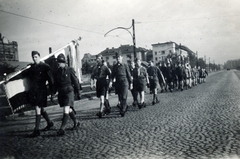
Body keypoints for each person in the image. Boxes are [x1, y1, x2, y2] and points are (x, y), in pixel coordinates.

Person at [25, 51, 54, 137]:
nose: (34, 58)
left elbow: (51, 80)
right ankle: (49, 123)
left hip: (42, 90)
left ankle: (36, 130)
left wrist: (52, 92)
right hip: (34, 91)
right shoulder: (31, 67)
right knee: (41, 109)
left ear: (39, 56)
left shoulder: (45, 67)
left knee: (37, 108)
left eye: (36, 56)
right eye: (33, 57)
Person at [55, 53, 81, 135]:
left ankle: (62, 129)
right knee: (69, 110)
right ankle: (76, 122)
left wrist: (78, 92)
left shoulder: (70, 69)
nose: (58, 63)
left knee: (66, 109)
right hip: (62, 93)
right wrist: (53, 92)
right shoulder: (58, 71)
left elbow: (75, 81)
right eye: (58, 62)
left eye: (59, 62)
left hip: (69, 92)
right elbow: (57, 83)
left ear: (63, 62)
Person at [110, 52, 132, 117]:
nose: (118, 59)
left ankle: (122, 110)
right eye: (117, 58)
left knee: (124, 96)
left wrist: (131, 83)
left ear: (122, 58)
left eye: (119, 57)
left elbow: (129, 75)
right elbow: (112, 75)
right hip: (118, 82)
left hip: (125, 82)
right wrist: (111, 82)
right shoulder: (115, 66)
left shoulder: (125, 65)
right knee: (120, 97)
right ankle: (124, 107)